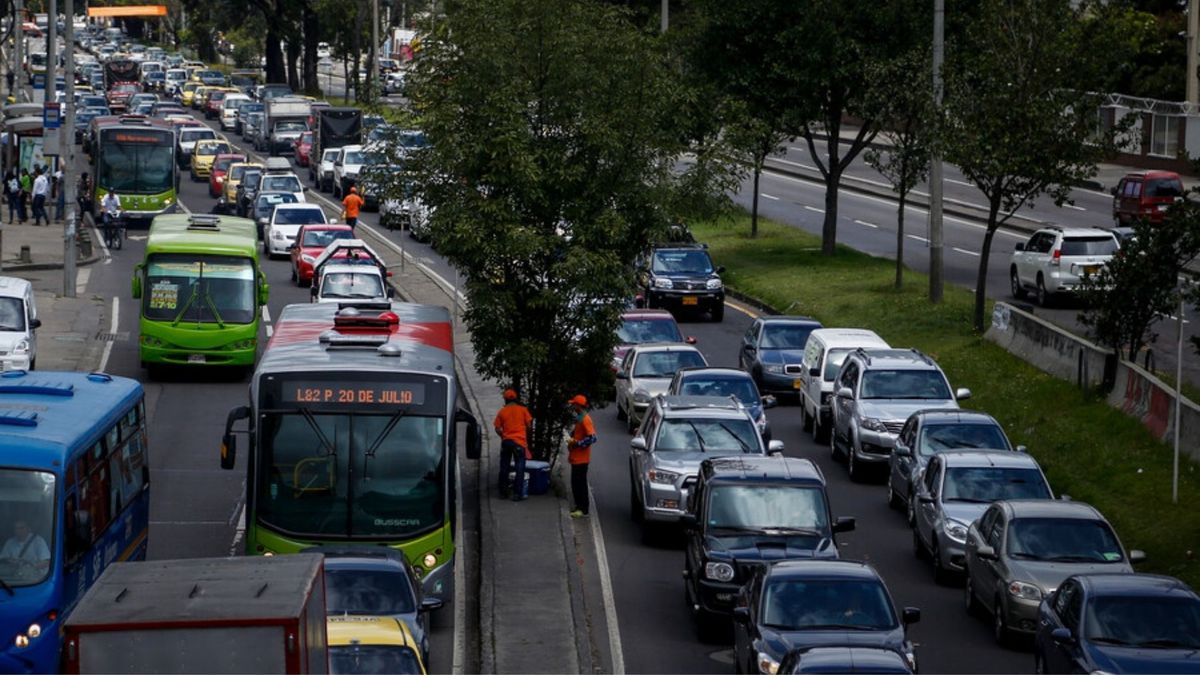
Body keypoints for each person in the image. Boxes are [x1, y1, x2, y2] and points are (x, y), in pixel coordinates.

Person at [493, 388, 533, 501]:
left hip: (507, 442)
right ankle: (517, 494)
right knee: (519, 467)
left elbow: (497, 428)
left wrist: (503, 436)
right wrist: (525, 435)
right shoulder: (523, 410)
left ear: (505, 400)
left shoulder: (502, 411)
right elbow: (529, 426)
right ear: (516, 399)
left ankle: (503, 492)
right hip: (519, 442)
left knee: (504, 467)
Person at [566, 395, 597, 518]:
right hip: (576, 457)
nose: (573, 406)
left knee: (579, 483)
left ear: (579, 406)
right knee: (576, 482)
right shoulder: (580, 418)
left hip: (581, 458)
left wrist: (577, 443)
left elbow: (593, 438)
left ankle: (582, 509)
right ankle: (579, 506)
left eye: (574, 404)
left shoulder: (585, 419)